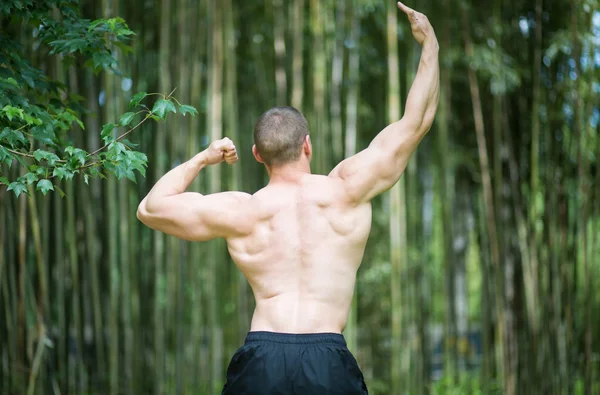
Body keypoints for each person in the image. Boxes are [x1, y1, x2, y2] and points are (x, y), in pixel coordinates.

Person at [137, 2, 439, 394]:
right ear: (308, 145)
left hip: (262, 359)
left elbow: (150, 208)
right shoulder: (346, 189)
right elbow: (415, 123)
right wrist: (429, 43)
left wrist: (204, 157)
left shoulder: (243, 210)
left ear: (258, 154)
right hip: (327, 361)